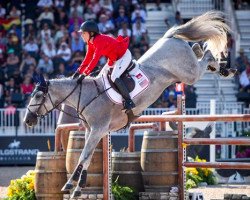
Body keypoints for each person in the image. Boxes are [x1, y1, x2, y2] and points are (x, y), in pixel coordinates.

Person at [72, 20, 135, 111]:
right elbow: (88, 58)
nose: (82, 35)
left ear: (91, 33)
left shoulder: (99, 40)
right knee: (102, 74)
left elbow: (95, 59)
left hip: (123, 56)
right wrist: (78, 71)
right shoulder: (91, 42)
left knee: (114, 76)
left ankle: (129, 101)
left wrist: (84, 74)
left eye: (84, 33)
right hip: (114, 58)